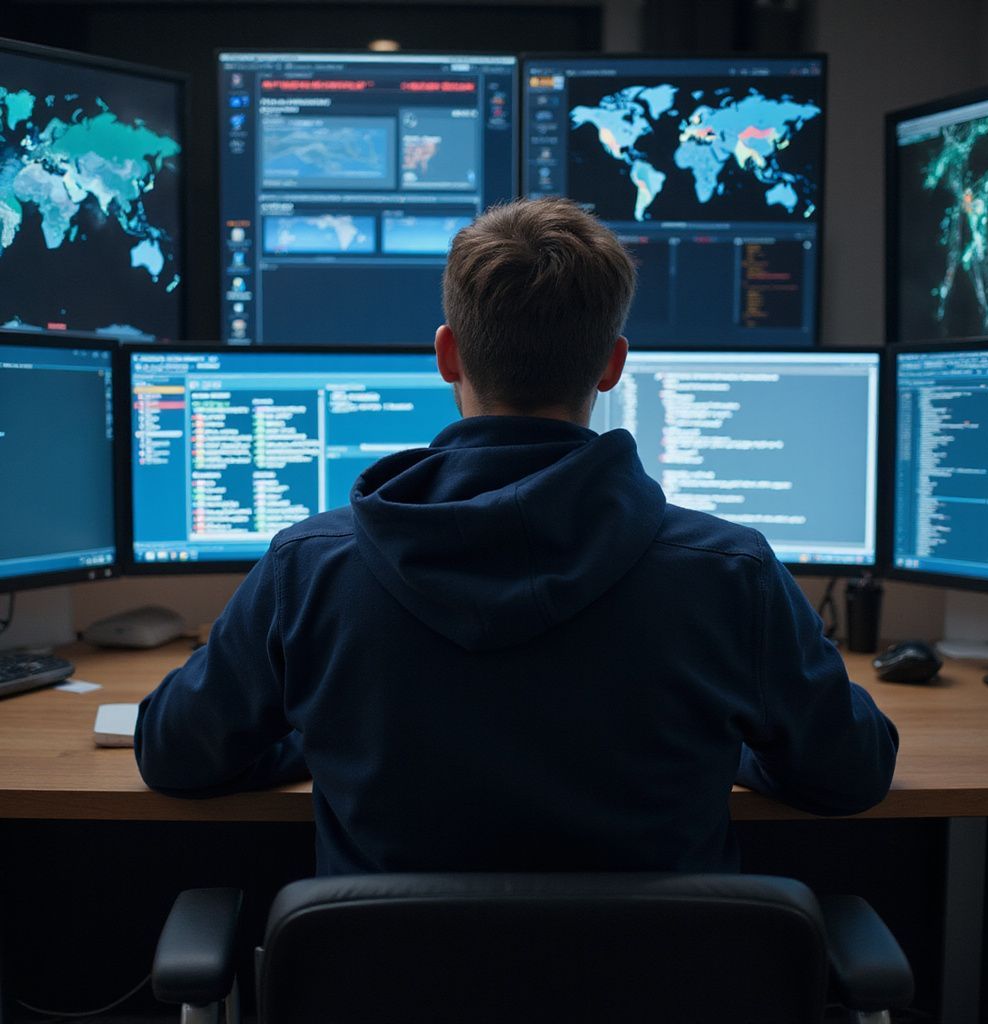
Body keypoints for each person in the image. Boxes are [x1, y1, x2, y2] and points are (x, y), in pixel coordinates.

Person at [135, 197, 898, 875]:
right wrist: (728, 748)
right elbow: (852, 774)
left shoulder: (311, 569)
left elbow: (174, 755)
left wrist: (320, 737)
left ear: (446, 355)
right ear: (612, 365)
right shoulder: (730, 574)